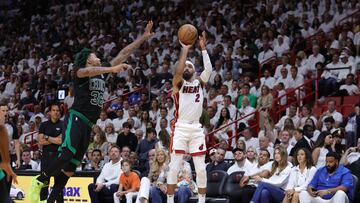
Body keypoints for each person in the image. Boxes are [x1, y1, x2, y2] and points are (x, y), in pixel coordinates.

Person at [29, 21, 154, 203]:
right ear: (88, 58)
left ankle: (50, 200)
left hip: (88, 124)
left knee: (70, 168)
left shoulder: (102, 70)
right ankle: (40, 179)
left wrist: (143, 37)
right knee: (66, 154)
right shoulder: (79, 72)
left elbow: (123, 53)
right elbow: (88, 71)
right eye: (95, 55)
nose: (98, 57)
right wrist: (112, 69)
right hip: (76, 117)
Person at [167, 31, 212, 203]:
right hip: (181, 127)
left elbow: (209, 69)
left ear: (194, 70)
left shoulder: (200, 82)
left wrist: (203, 49)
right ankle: (170, 200)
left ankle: (201, 201)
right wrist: (185, 49)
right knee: (174, 167)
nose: (186, 68)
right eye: (184, 66)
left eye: (189, 66)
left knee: (200, 169)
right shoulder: (178, 84)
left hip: (196, 129)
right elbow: (178, 71)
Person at [0, 99, 17, 203]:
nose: (5, 113)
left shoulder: (9, 127)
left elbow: (16, 142)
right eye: (2, 111)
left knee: (5, 193)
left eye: (6, 111)